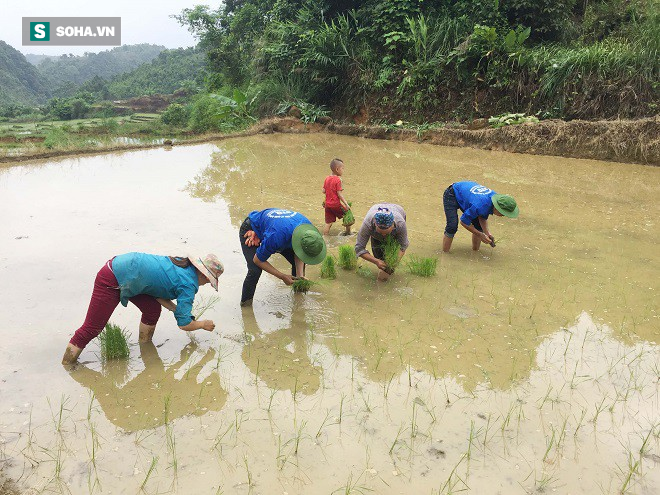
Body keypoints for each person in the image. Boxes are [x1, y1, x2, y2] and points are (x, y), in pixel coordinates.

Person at [62, 253, 224, 365]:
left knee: (152, 310)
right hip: (113, 277)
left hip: (129, 271)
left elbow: (156, 290)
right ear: (203, 274)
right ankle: (67, 365)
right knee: (92, 328)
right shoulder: (188, 284)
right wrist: (203, 324)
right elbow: (183, 324)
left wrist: (176, 309)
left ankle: (146, 347)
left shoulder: (182, 264)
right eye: (209, 281)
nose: (206, 284)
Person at [239, 208, 327, 306]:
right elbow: (258, 260)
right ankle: (246, 307)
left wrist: (300, 275)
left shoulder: (309, 230)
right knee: (255, 270)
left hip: (276, 228)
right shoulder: (277, 237)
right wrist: (282, 276)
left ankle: (298, 302)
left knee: (298, 270)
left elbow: (299, 253)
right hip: (252, 228)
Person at [442, 181, 519, 252]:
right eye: (503, 213)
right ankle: (445, 254)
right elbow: (464, 222)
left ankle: (475, 252)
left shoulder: (494, 200)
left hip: (469, 196)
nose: (503, 216)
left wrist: (487, 234)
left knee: (479, 227)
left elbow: (482, 216)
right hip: (452, 194)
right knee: (452, 226)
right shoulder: (480, 205)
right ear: (496, 207)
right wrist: (480, 235)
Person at [354, 203, 409, 281]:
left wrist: (394, 262)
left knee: (390, 267)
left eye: (386, 233)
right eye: (380, 232)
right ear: (375, 225)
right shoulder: (368, 223)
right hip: (375, 237)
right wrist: (376, 261)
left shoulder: (400, 224)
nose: (383, 235)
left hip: (398, 212)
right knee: (380, 259)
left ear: (392, 226)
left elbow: (403, 246)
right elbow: (358, 248)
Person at [322, 158, 351, 235]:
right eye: (342, 168)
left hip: (327, 205)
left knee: (328, 223)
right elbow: (339, 194)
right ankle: (348, 232)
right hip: (335, 204)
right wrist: (346, 204)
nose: (343, 170)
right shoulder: (338, 179)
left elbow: (323, 191)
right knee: (347, 215)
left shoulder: (327, 178)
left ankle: (325, 237)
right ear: (337, 169)